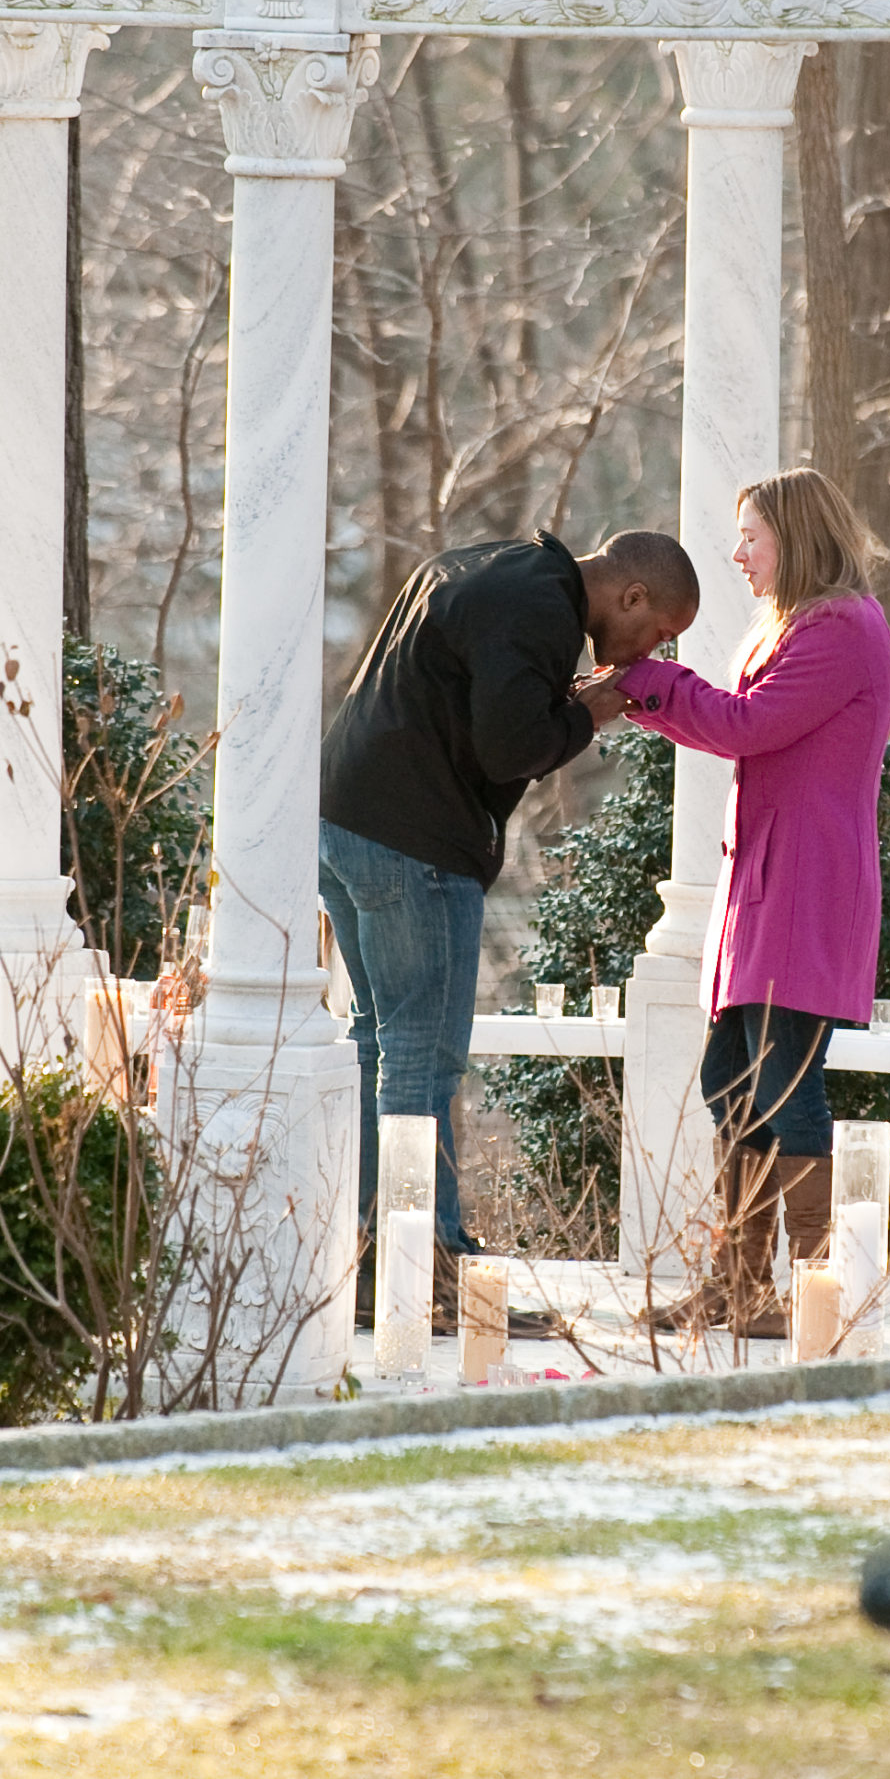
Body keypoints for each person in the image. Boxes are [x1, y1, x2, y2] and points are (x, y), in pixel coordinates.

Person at [320, 528, 698, 1307]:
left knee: (377, 1042)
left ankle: (371, 1256)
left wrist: (564, 701)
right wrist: (592, 710)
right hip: (414, 838)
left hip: (340, 820)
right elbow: (507, 747)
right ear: (630, 595)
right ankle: (422, 1266)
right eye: (658, 632)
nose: (647, 654)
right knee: (422, 1058)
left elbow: (471, 701)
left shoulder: (494, 561)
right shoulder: (540, 608)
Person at [605, 469, 890, 1337]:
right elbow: (733, 722)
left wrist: (642, 679)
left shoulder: (842, 626)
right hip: (766, 889)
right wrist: (641, 688)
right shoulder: (793, 625)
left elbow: (742, 727)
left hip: (805, 889)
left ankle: (811, 1293)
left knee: (783, 1082)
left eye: (750, 536)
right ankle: (739, 1287)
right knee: (730, 1078)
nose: (737, 553)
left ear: (795, 537)